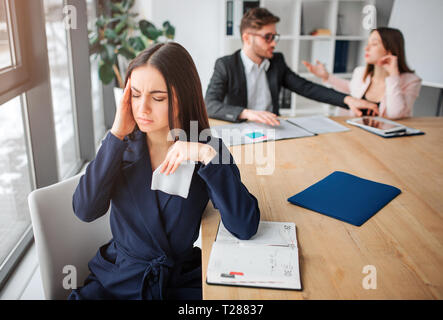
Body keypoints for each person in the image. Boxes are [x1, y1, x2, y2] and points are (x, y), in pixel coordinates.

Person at [68, 42, 260, 300]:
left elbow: (244, 226)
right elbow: (85, 210)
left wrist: (206, 156)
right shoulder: (120, 146)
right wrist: (115, 135)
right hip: (117, 280)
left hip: (178, 283)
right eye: (135, 95)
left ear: (183, 96)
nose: (143, 108)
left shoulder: (208, 149)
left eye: (158, 98)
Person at [205, 7, 378, 126]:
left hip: (273, 130)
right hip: (240, 130)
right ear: (247, 38)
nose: (274, 43)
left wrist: (348, 100)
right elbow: (210, 105)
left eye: (275, 36)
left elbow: (306, 87)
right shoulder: (226, 65)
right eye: (268, 37)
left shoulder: (276, 62)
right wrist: (247, 113)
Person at [303, 27, 421, 119]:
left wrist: (393, 75)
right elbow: (350, 87)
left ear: (390, 49)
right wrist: (327, 76)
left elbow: (395, 114)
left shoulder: (411, 81)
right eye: (368, 43)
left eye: (374, 44)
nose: (366, 48)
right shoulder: (360, 72)